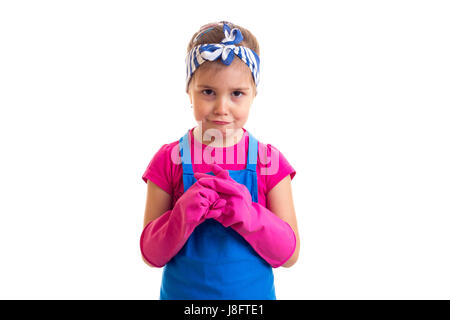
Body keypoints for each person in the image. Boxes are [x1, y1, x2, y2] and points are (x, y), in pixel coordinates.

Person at [140, 21, 300, 300]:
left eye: (237, 93)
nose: (222, 108)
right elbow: (151, 256)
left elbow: (289, 255)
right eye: (208, 92)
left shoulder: (269, 161)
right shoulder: (169, 160)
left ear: (253, 95)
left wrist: (249, 215)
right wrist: (180, 217)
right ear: (189, 91)